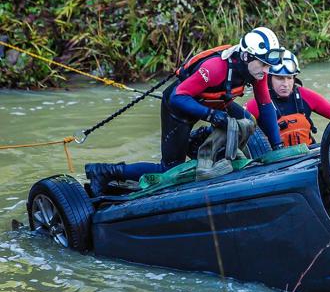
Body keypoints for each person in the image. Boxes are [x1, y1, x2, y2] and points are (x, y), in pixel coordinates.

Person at [85, 27, 285, 196]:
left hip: (214, 102)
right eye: (263, 64)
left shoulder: (257, 71)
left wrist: (277, 147)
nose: (267, 71)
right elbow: (178, 97)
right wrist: (212, 116)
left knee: (247, 121)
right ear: (245, 55)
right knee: (170, 169)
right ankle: (105, 171)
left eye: (269, 65)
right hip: (180, 106)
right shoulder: (215, 68)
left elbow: (265, 106)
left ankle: (197, 140)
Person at [245, 50, 330, 146]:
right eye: (280, 78)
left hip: (309, 155)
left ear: (294, 78)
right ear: (269, 80)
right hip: (277, 159)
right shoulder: (257, 104)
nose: (286, 84)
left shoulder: (307, 96)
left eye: (289, 78)